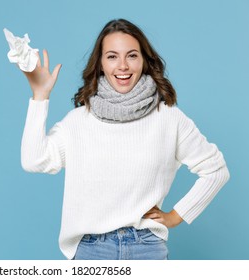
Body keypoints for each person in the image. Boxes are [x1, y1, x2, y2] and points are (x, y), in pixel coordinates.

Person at [19, 19, 230, 260]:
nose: (122, 66)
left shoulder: (168, 118)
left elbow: (216, 170)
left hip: (147, 248)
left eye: (131, 56)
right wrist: (40, 96)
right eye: (111, 56)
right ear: (100, 63)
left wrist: (176, 215)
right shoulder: (79, 120)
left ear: (144, 61)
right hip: (91, 250)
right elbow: (34, 161)